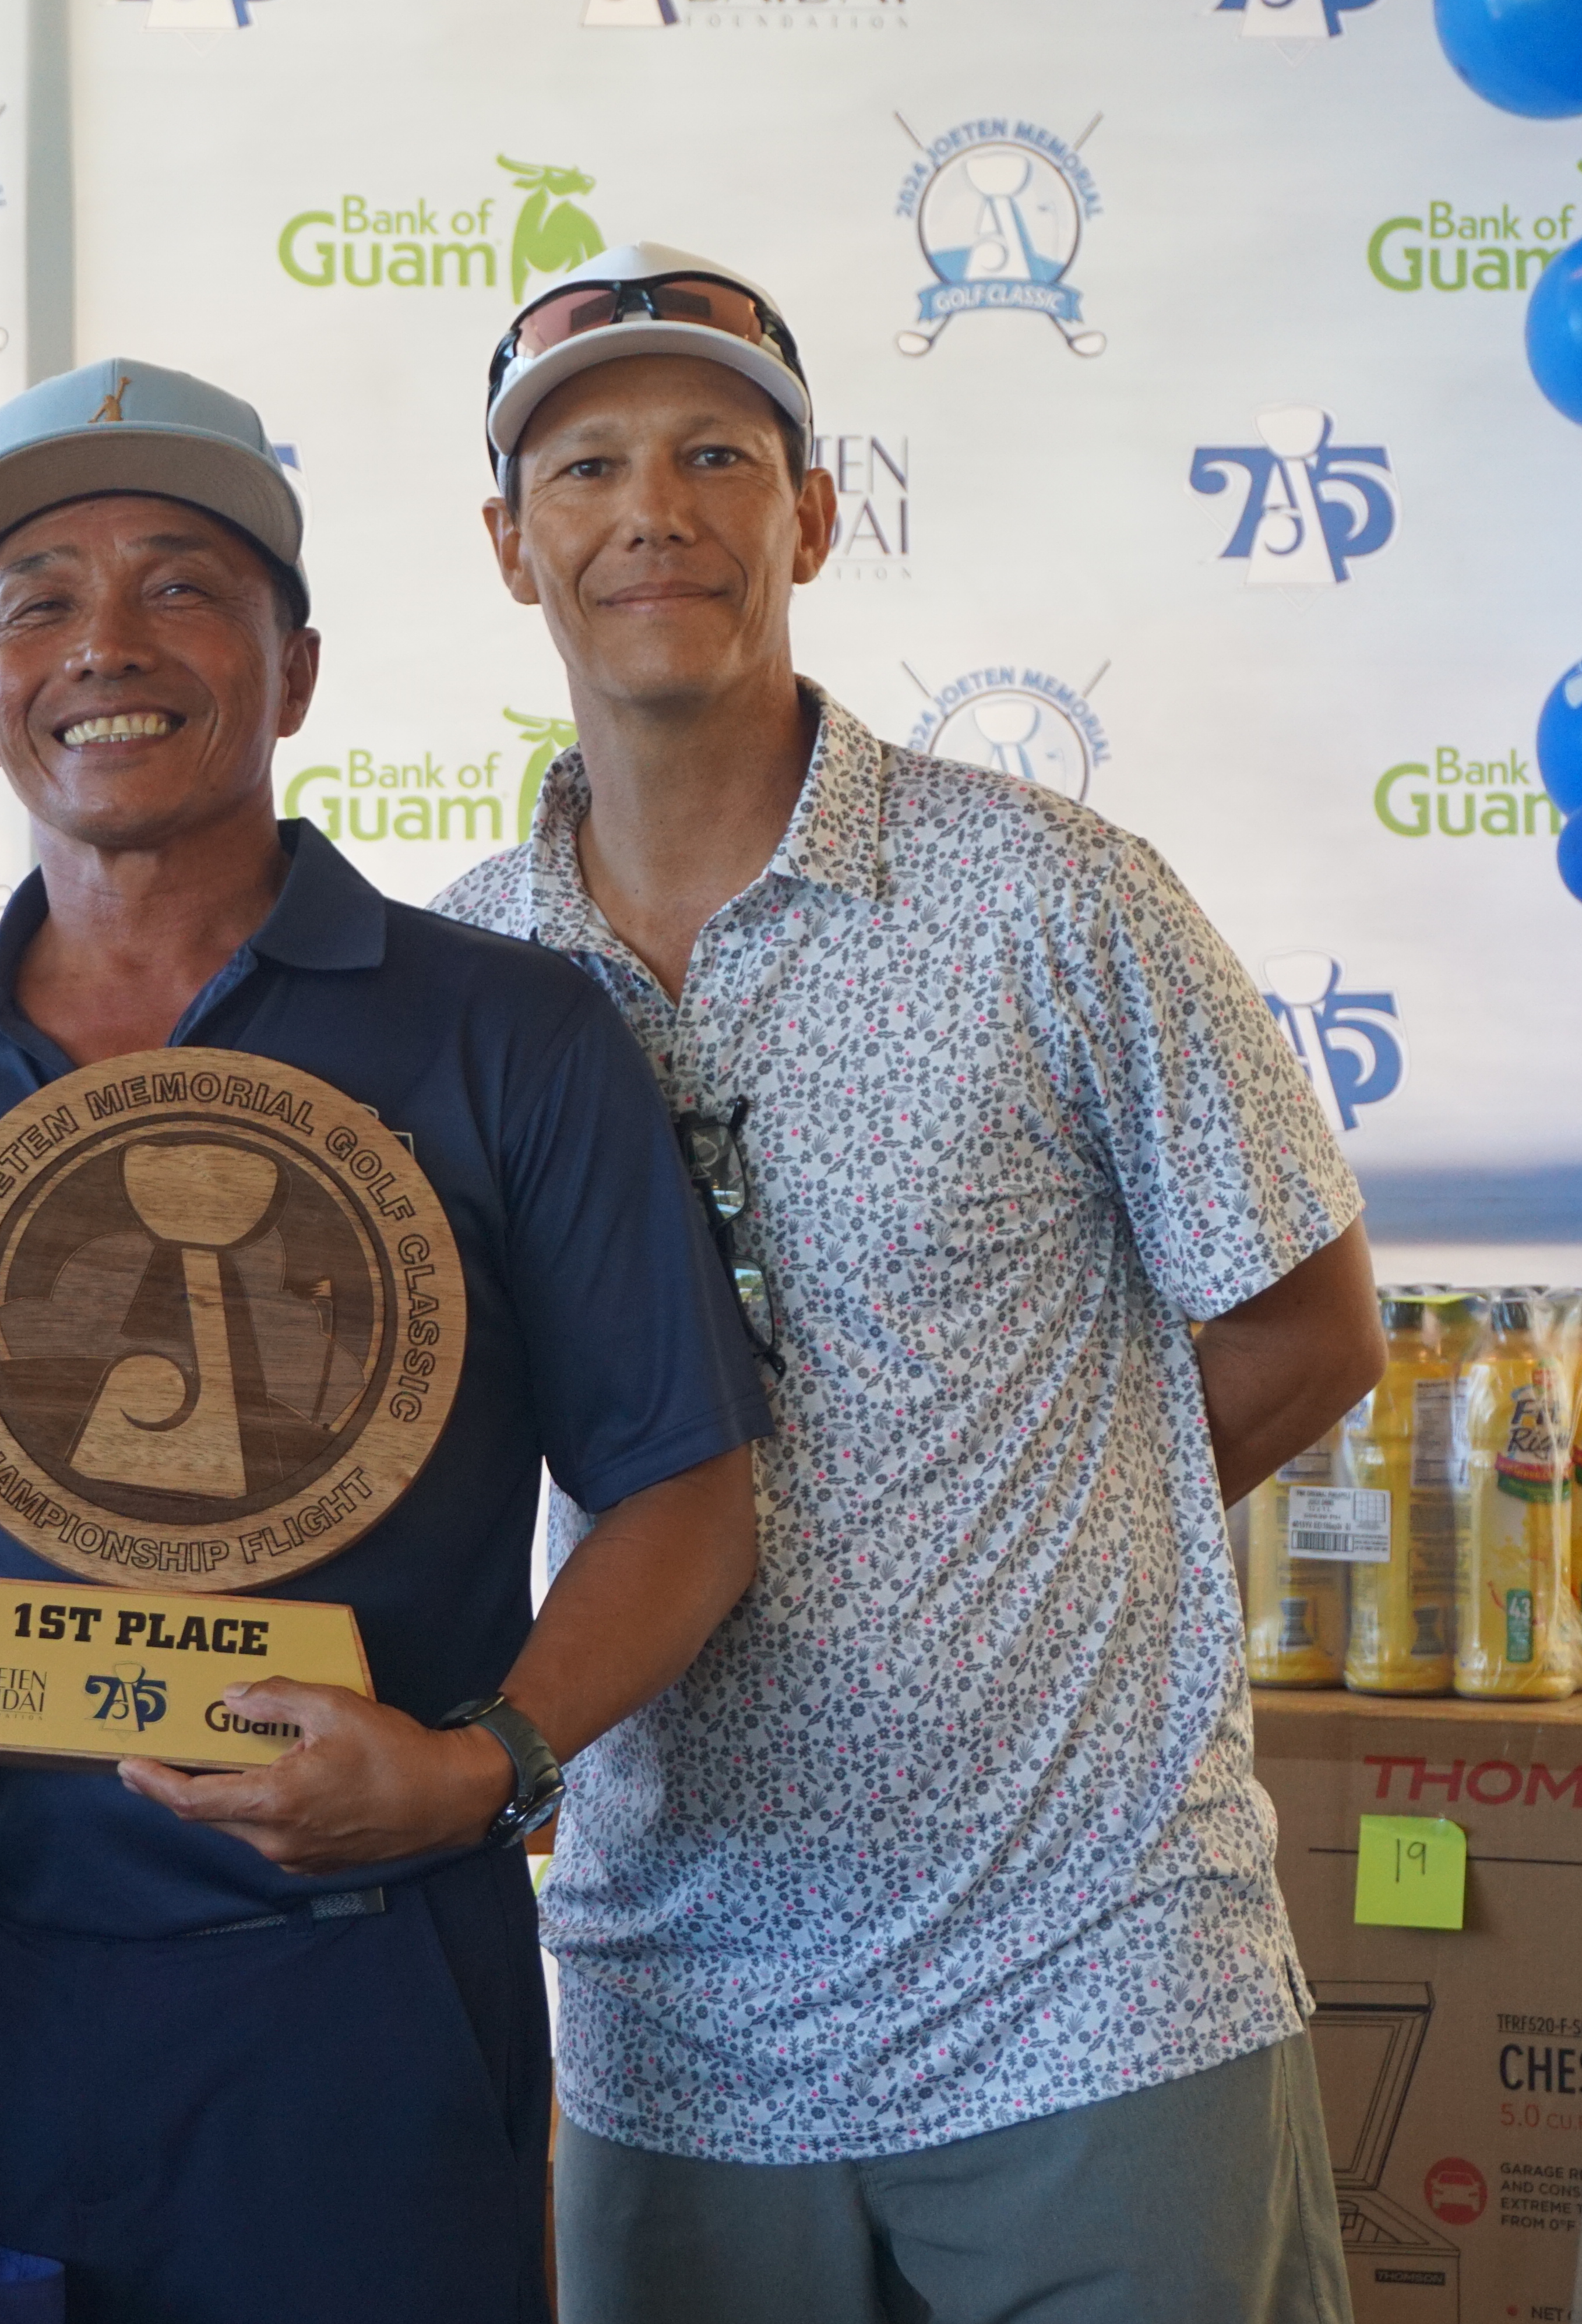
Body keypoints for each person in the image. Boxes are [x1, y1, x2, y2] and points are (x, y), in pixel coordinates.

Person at [0, 358, 772, 2324]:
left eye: (182, 585)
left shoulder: (504, 1036)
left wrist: (491, 1766)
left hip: (353, 2004)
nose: (105, 643)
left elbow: (686, 1494)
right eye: (36, 600)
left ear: (295, 671)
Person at [434, 244, 1387, 2324]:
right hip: (669, 1998)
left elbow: (1313, 1331)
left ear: (818, 514)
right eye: (585, 469)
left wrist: (1025, 1534)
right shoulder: (462, 981)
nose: (653, 510)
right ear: (513, 550)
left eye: (716, 454)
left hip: (1093, 1978)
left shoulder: (1055, 896)